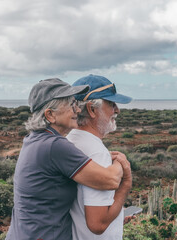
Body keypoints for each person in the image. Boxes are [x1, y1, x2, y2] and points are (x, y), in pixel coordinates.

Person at [5, 78, 129, 240]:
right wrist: (122, 163)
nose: (77, 110)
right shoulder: (54, 146)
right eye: (71, 105)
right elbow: (111, 180)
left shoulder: (36, 139)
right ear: (50, 115)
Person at [67, 74, 133, 239]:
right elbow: (98, 224)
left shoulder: (68, 141)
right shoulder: (97, 153)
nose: (116, 110)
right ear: (91, 109)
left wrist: (116, 217)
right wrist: (125, 185)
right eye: (111, 103)